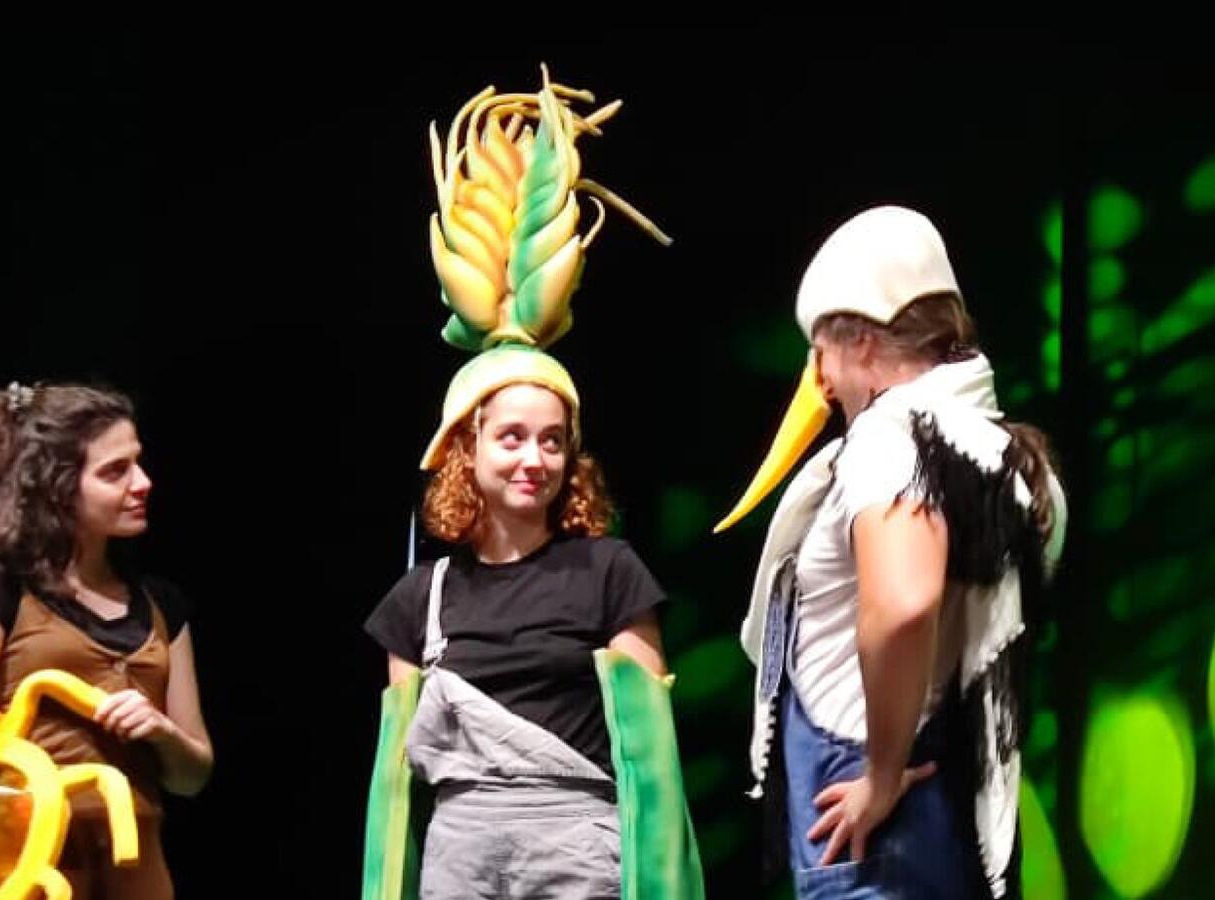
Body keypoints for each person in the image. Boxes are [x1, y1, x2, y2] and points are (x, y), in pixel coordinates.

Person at [359, 68, 701, 900]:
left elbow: (651, 762)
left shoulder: (610, 573)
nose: (533, 459)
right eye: (511, 438)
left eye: (552, 441)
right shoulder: (420, 599)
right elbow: (396, 797)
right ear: (466, 449)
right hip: (460, 853)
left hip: (578, 847)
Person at [715, 205, 1068, 899]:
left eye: (822, 351)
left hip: (880, 821)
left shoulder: (892, 436)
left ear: (864, 344)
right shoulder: (1012, 462)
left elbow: (905, 603)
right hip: (950, 815)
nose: (820, 381)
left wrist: (880, 778)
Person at [0, 381, 213, 899]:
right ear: (59, 486)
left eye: (137, 463)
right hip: (23, 869)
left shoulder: (162, 605)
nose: (142, 482)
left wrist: (163, 733)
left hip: (135, 872)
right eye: (115, 471)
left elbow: (192, 776)